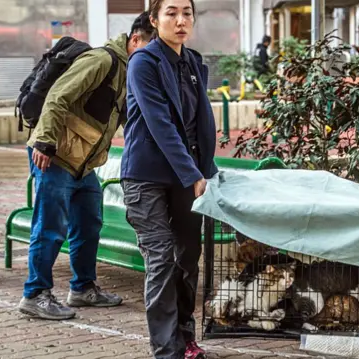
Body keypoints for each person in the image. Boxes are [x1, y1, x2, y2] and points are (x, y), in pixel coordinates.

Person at [17, 14, 153, 320]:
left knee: (89, 224)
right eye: (151, 49)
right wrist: (45, 142)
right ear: (135, 40)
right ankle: (35, 293)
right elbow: (59, 95)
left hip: (83, 163)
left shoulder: (128, 73)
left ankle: (82, 288)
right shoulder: (102, 60)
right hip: (54, 156)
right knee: (51, 227)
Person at [121, 0, 217, 357]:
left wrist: (208, 171)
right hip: (146, 177)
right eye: (171, 13)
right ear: (154, 19)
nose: (180, 21)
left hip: (186, 177)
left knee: (188, 257)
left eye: (186, 13)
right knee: (161, 257)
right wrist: (193, 173)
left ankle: (184, 334)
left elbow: (200, 122)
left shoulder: (192, 61)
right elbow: (160, 124)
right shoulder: (143, 62)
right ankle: (167, 349)